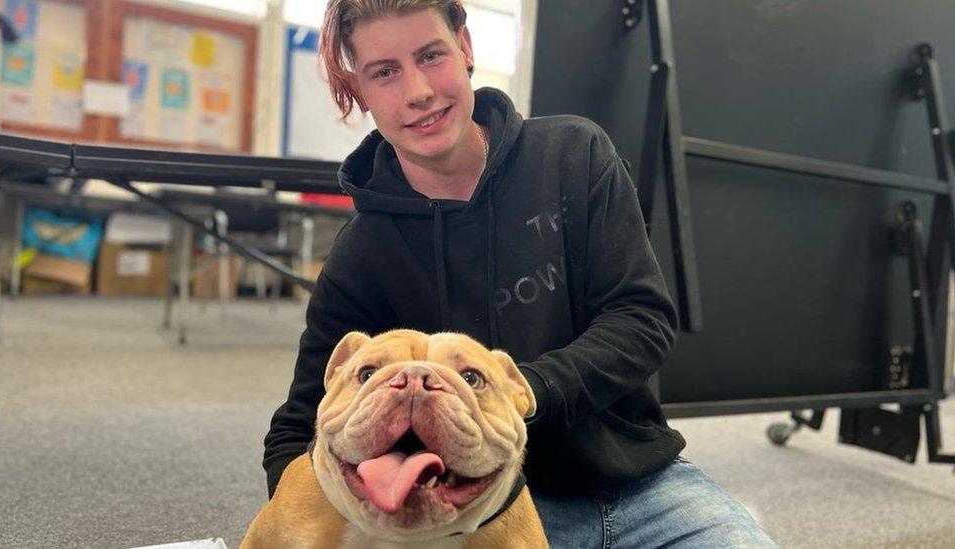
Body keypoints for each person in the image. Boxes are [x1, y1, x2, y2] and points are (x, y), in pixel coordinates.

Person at [264, 1, 777, 546]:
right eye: (384, 72)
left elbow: (641, 318)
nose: (417, 91)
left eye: (431, 55)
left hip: (641, 485)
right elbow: (299, 426)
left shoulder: (573, 156)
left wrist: (518, 393)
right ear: (360, 89)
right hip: (474, 515)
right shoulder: (361, 253)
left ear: (464, 48)